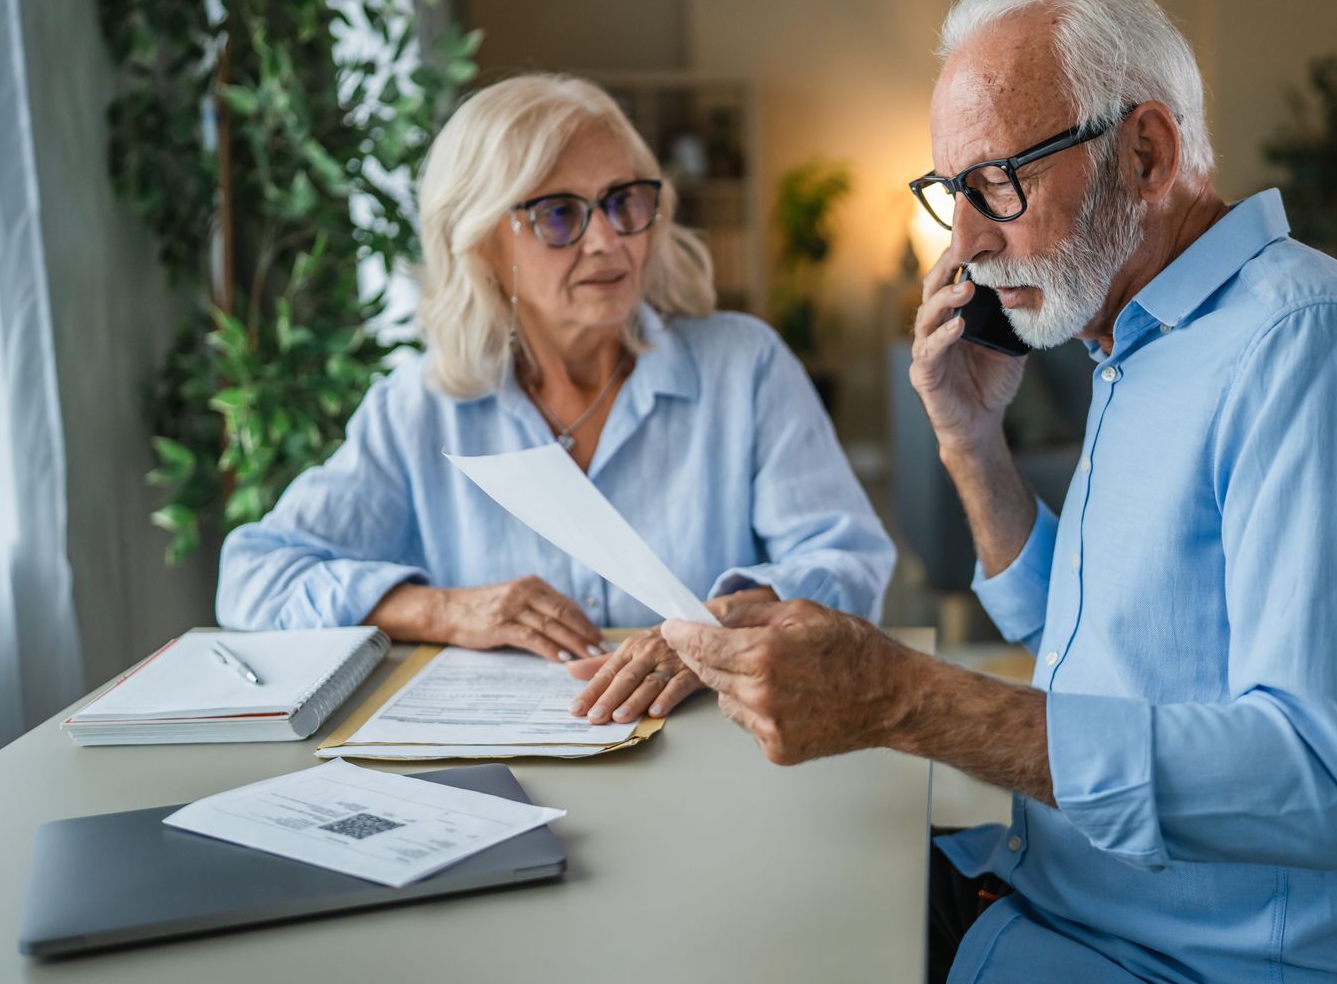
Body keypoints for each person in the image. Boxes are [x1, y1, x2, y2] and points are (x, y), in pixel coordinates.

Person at [663, 0, 1337, 984]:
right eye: (953, 193)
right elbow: (1084, 642)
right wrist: (971, 440)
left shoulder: (1307, 347)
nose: (969, 243)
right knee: (744, 905)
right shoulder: (1138, 341)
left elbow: (1309, 782)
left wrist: (904, 700)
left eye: (998, 183)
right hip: (1059, 910)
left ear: (1146, 152)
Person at [217, 73, 894, 726]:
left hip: (725, 749)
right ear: (480, 240)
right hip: (500, 777)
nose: (609, 240)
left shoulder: (744, 367)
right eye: (560, 214)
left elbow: (848, 565)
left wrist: (721, 627)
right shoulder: (420, 409)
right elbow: (253, 578)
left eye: (625, 200)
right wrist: (444, 611)